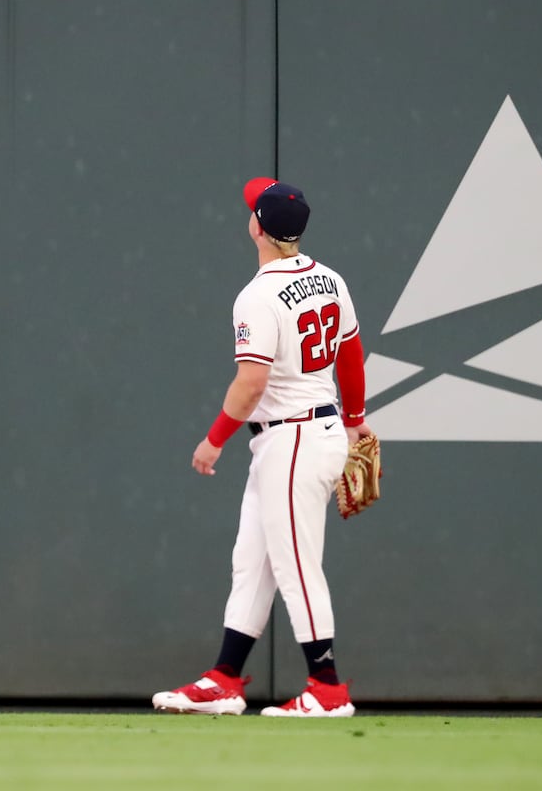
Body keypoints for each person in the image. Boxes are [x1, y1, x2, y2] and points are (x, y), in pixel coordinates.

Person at [152, 176, 372, 718]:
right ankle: (225, 679)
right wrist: (355, 421)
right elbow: (351, 353)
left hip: (293, 439)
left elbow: (250, 384)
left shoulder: (257, 296)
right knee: (252, 561)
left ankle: (327, 688)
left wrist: (212, 441)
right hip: (306, 433)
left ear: (258, 228)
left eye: (253, 209)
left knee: (296, 564)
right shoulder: (330, 279)